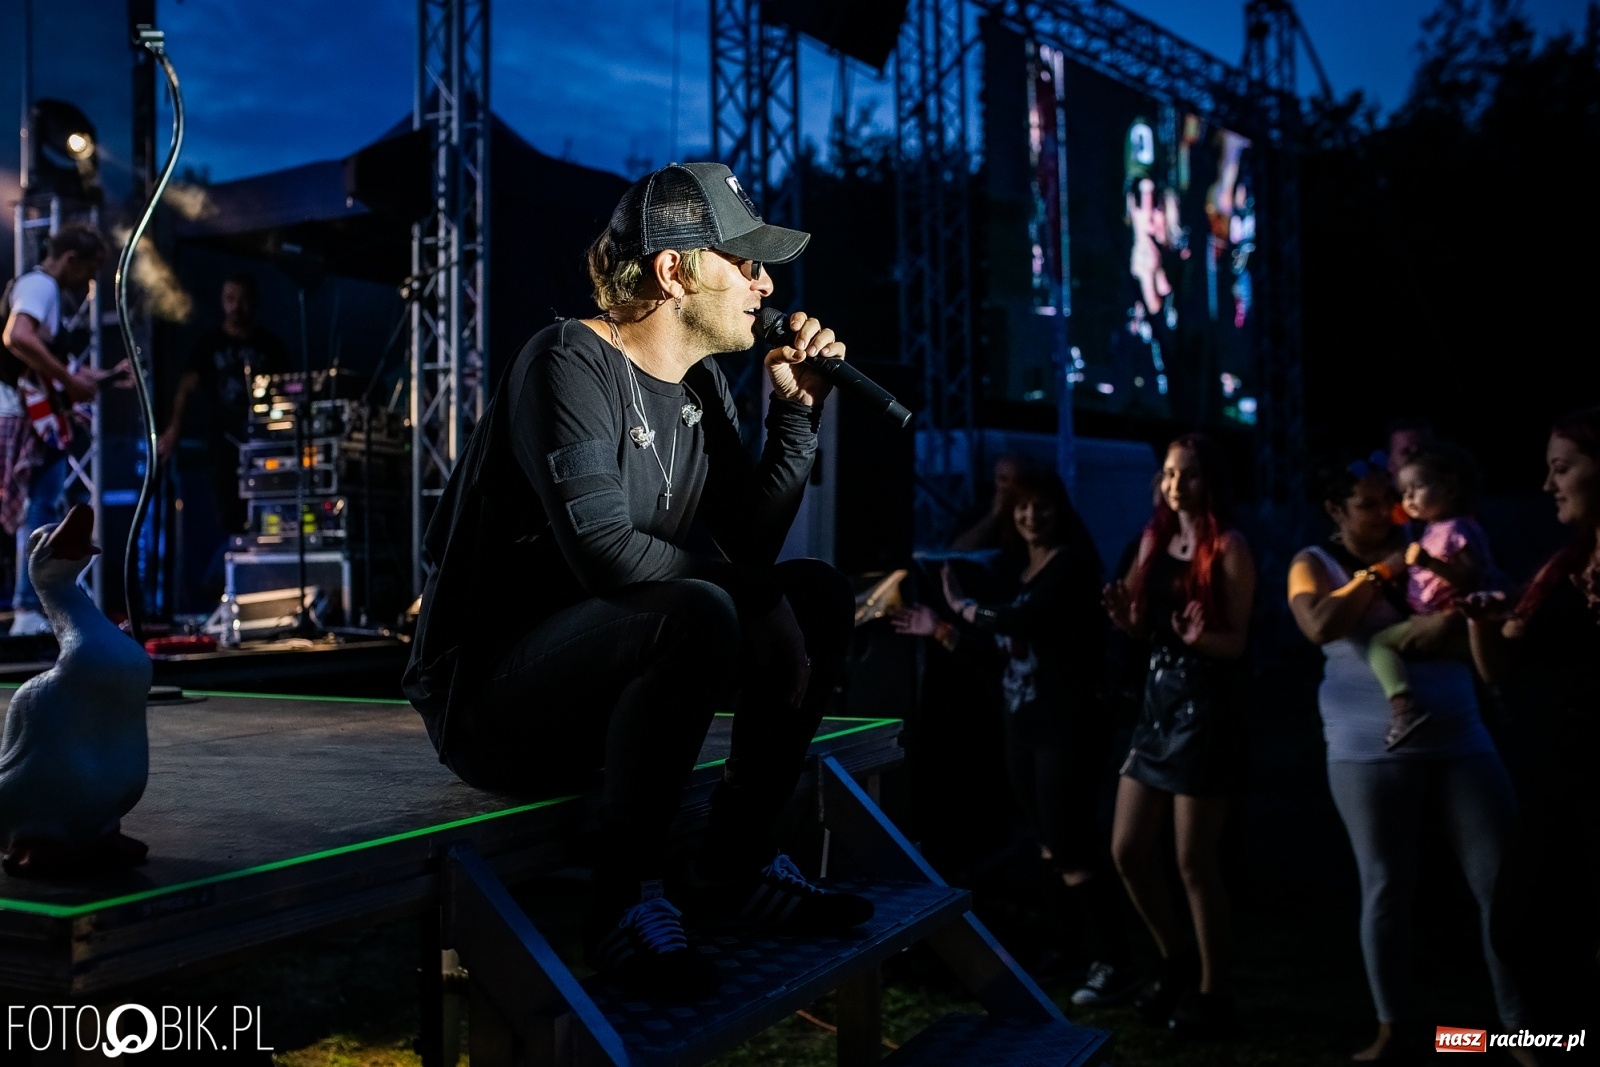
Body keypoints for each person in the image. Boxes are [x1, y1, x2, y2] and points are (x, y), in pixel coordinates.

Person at [402, 162, 872, 1000]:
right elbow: (606, 551)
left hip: (600, 688)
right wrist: (753, 600)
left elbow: (752, 540)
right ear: (672, 270)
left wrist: (797, 414)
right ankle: (623, 906)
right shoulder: (566, 360)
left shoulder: (699, 384)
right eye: (745, 261)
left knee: (820, 596)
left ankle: (732, 868)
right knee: (702, 609)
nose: (766, 282)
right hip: (490, 703)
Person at [1287, 461, 1526, 1063]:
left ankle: (1523, 1029)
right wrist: (1384, 570)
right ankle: (1395, 1028)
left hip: (1459, 733)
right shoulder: (1313, 561)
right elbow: (1319, 624)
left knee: (1501, 881)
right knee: (1387, 886)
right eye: (1368, 504)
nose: (1387, 513)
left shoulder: (1437, 544)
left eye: (1390, 500)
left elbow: (1485, 602)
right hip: (1369, 748)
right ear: (1336, 511)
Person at [892, 467, 1136, 1005]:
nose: (1030, 515)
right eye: (1021, 506)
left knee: (1071, 841)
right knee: (1049, 843)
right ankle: (1069, 949)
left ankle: (1115, 960)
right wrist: (944, 632)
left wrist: (962, 609)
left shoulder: (1068, 567)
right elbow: (1003, 659)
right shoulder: (1026, 569)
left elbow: (1017, 621)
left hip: (1066, 730)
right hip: (1023, 728)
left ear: (1060, 509)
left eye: (1041, 504)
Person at [1101, 432, 1254, 1037]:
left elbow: (1237, 643)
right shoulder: (1154, 537)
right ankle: (1175, 958)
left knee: (1194, 860)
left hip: (1208, 706)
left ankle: (1215, 990)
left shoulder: (1230, 546)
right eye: (1168, 473)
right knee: (1128, 849)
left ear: (1210, 481)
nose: (1174, 485)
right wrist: (1125, 621)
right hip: (1158, 702)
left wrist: (1199, 640)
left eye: (1187, 475)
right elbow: (1142, 630)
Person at [1463, 406, 1600, 1040]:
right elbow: (1497, 670)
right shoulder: (1564, 568)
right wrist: (1479, 622)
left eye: (1562, 469)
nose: (1548, 486)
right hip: (1562, 776)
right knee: (1518, 928)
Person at [0, 226, 118, 636]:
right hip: (21, 415)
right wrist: (70, 384)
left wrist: (103, 377)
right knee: (38, 507)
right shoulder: (40, 287)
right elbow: (17, 337)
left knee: (39, 506)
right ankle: (29, 607)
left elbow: (55, 364)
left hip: (30, 415)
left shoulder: (41, 292)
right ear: (70, 259)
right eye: (88, 270)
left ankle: (29, 606)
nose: (88, 283)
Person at [1365, 442, 1493, 749]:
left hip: (1451, 615)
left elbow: (1471, 576)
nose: (1408, 498)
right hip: (1442, 617)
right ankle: (1493, 703)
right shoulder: (1436, 528)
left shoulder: (1456, 529)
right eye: (1404, 490)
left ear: (1449, 489)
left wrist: (1428, 563)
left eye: (1417, 487)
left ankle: (1403, 707)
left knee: (1379, 644)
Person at [157, 274, 286, 536]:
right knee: (228, 505)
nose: (236, 306)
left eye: (242, 300)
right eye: (230, 299)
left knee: (269, 500)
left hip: (265, 438)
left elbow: (289, 391)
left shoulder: (271, 346)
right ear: (222, 302)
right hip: (223, 438)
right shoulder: (209, 344)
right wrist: (174, 429)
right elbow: (186, 388)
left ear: (255, 302)